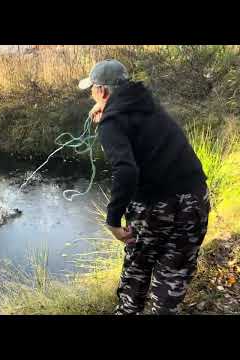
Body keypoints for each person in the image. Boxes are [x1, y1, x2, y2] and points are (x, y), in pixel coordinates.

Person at [78, 59, 210, 315]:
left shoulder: (111, 123)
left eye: (93, 89)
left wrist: (113, 221)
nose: (91, 94)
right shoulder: (148, 103)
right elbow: (130, 115)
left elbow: (126, 171)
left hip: (154, 205)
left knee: (138, 268)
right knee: (174, 273)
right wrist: (106, 108)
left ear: (102, 91)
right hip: (195, 197)